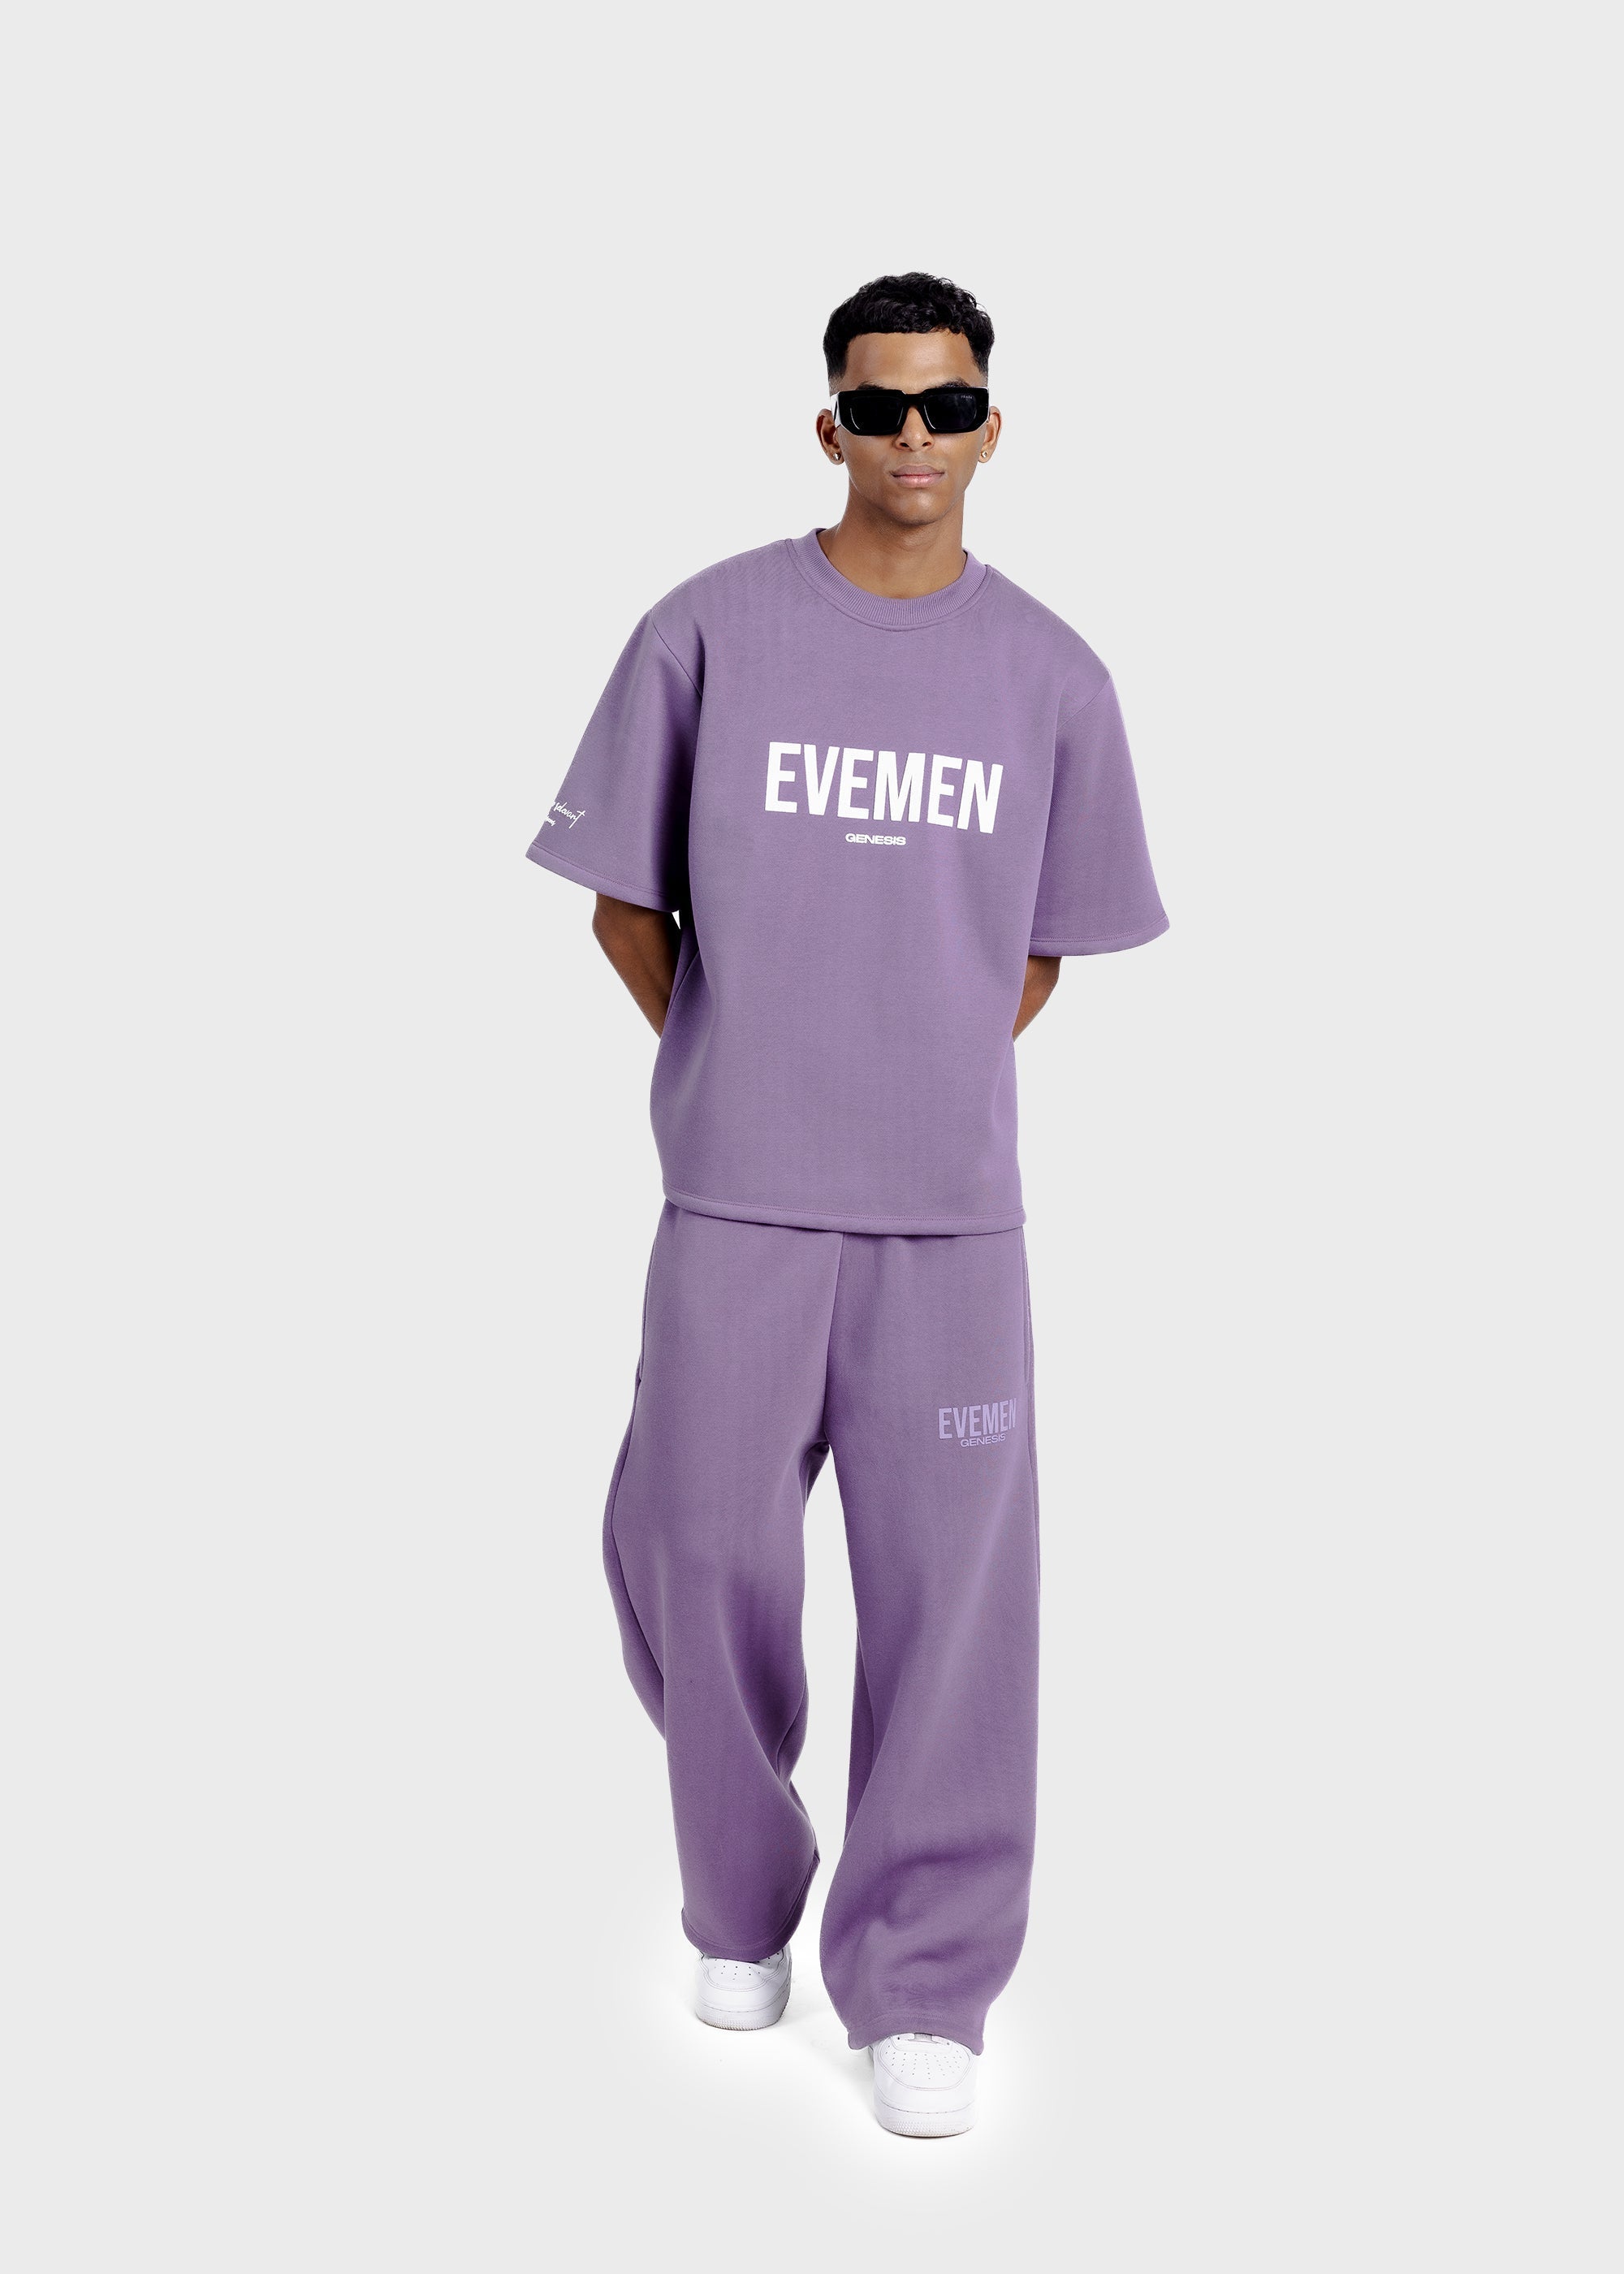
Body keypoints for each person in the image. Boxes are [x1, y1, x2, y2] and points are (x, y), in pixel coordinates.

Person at [526, 272, 1168, 2137]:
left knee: (954, 1605)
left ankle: (925, 1976)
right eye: (877, 406)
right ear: (828, 424)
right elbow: (622, 906)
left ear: (991, 427)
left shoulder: (1054, 677)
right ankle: (735, 1895)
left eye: (946, 405)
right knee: (686, 1548)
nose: (912, 437)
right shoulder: (705, 631)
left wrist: (913, 1060)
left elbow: (1037, 953)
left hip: (947, 1227)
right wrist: (748, 1051)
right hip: (734, 1198)